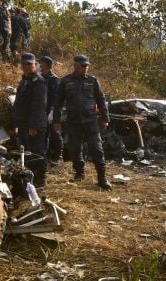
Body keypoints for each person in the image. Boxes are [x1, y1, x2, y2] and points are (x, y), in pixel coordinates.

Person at [53, 55, 112, 190]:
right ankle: (79, 173)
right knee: (75, 149)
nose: (86, 68)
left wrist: (105, 118)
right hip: (73, 122)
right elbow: (58, 103)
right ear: (76, 66)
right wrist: (56, 121)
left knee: (96, 149)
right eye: (83, 66)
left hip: (90, 121)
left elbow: (101, 100)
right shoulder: (66, 81)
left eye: (87, 66)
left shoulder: (93, 81)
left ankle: (102, 178)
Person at [12, 53, 47, 187]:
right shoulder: (24, 80)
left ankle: (41, 178)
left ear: (34, 64)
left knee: (37, 152)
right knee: (25, 151)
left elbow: (38, 106)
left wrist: (34, 126)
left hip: (34, 124)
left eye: (29, 64)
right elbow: (18, 105)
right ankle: (30, 177)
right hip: (22, 123)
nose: (26, 66)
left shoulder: (39, 81)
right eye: (24, 64)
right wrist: (16, 124)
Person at [38, 55, 63, 164]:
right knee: (43, 135)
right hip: (42, 110)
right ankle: (44, 156)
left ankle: (58, 156)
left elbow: (57, 98)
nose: (39, 65)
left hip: (52, 111)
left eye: (41, 63)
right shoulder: (40, 77)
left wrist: (53, 112)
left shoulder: (54, 79)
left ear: (46, 65)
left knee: (55, 134)